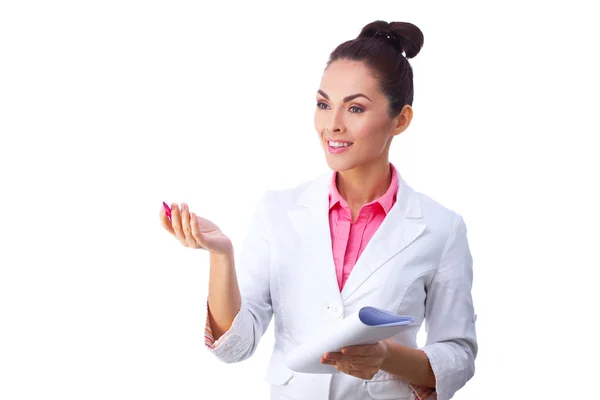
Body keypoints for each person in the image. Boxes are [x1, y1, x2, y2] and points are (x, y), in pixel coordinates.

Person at [159, 20, 477, 400]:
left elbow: (457, 354)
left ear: (401, 119)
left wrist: (386, 356)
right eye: (324, 105)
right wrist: (221, 255)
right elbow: (235, 346)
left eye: (355, 108)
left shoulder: (441, 228)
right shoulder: (278, 212)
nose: (332, 125)